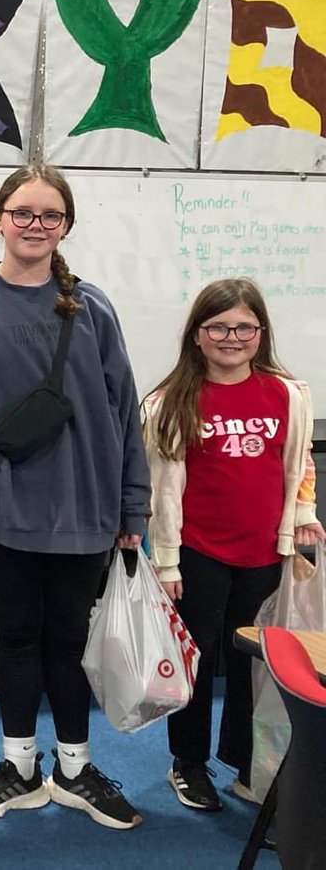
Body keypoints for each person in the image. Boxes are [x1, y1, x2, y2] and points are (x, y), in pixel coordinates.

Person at [0, 162, 150, 830]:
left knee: (69, 640)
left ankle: (75, 768)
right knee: (18, 636)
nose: (35, 225)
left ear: (65, 227)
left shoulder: (93, 306)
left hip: (87, 510)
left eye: (49, 215)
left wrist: (134, 507)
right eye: (22, 212)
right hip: (6, 511)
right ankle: (19, 766)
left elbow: (123, 414)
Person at [142, 277, 323, 812]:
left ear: (260, 333)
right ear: (197, 335)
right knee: (196, 664)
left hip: (266, 555)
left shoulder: (288, 394)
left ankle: (248, 764)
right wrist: (167, 563)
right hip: (197, 555)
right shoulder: (171, 400)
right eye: (218, 326)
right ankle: (189, 764)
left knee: (256, 666)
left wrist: (305, 518)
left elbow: (300, 463)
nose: (231, 336)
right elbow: (162, 493)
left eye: (244, 326)